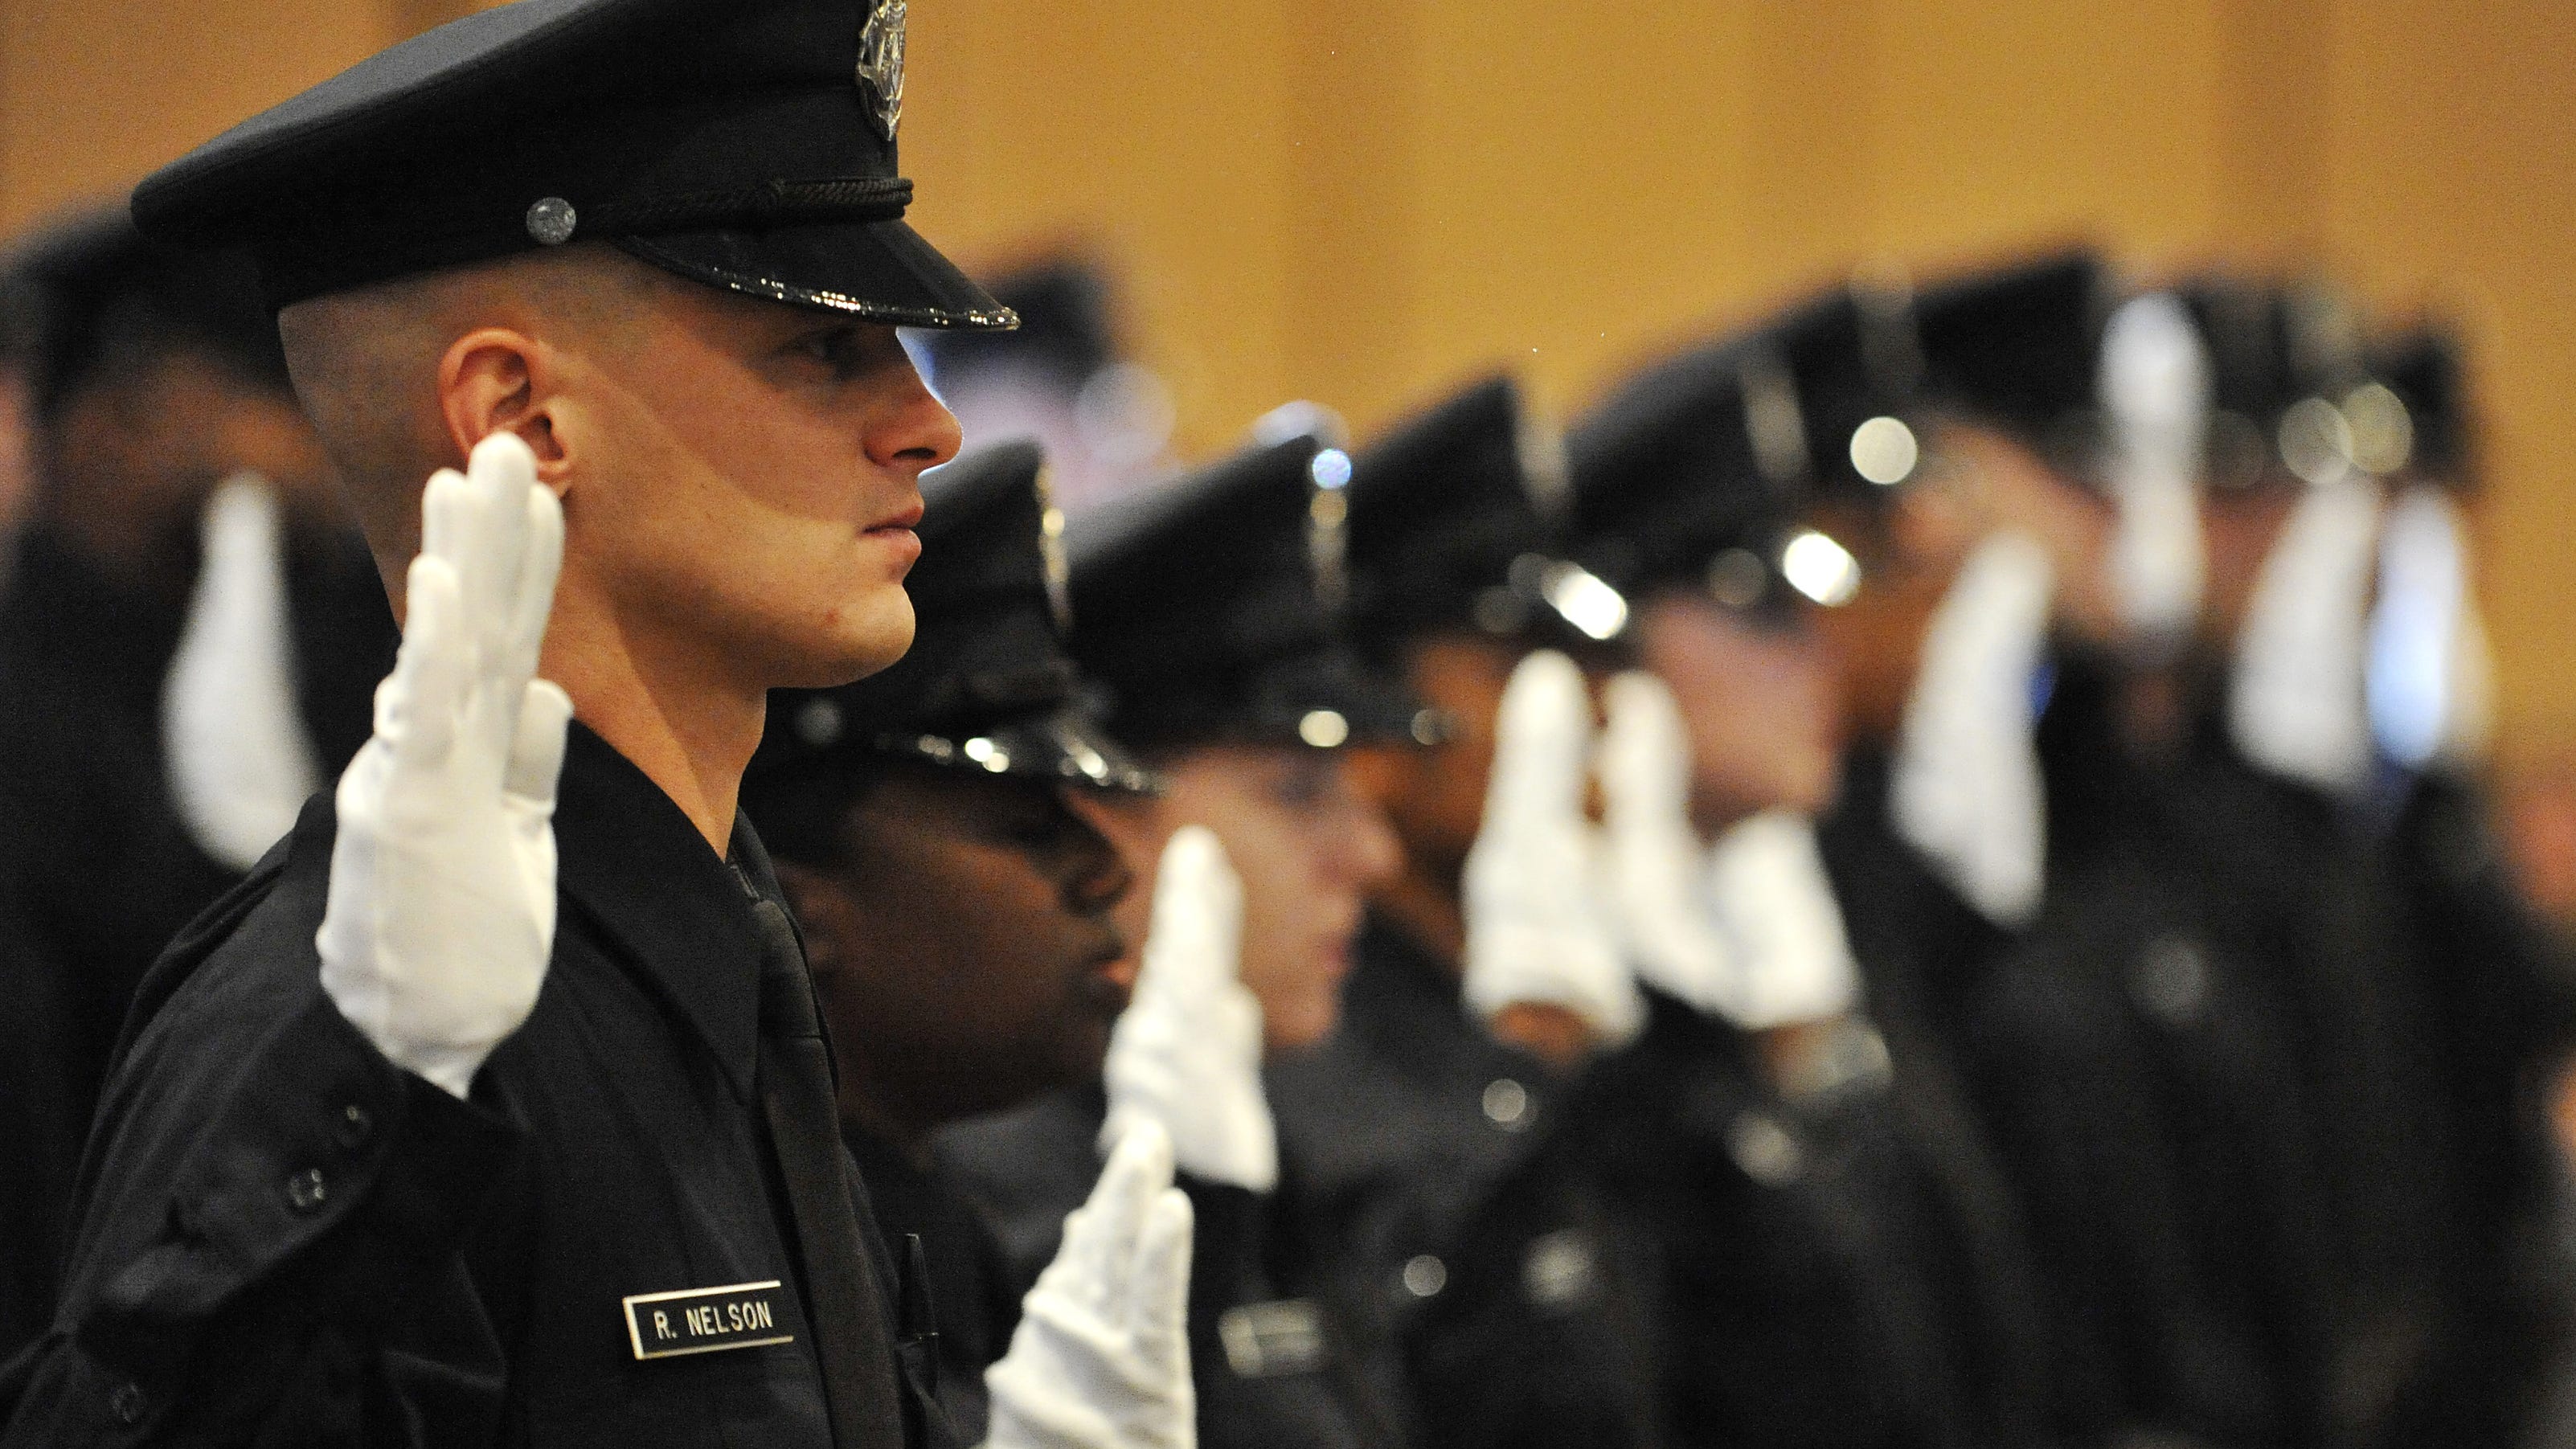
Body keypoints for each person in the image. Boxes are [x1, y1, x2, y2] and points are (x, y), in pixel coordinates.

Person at [0, 2, 1186, 1444]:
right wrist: (373, 1089)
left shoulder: (721, 951)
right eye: (822, 350)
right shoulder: (360, 1026)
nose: (924, 424)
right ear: (520, 419)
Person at [938, 430, 1416, 1448]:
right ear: (1104, 815)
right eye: (1295, 793)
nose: (1370, 854)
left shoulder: (1265, 1116)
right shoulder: (987, 1189)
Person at [0, 211, 393, 1359]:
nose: (304, 448)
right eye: (259, 389)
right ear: (126, 398)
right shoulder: (33, 720)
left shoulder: (315, 643)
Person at [738, 439, 1160, 1440]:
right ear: (806, 908)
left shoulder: (928, 1213)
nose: (1108, 873)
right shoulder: (747, 1264)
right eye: (1025, 828)